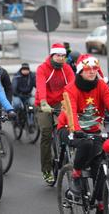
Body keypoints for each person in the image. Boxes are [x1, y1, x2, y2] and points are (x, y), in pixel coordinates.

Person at [57, 54, 109, 214]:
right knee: (86, 144)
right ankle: (76, 174)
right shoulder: (71, 88)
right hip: (69, 128)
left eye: (94, 68)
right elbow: (71, 110)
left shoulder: (101, 86)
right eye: (87, 69)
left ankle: (100, 202)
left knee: (100, 165)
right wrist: (77, 130)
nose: (92, 71)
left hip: (93, 130)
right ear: (80, 71)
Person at [35, 43, 75, 184]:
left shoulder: (67, 68)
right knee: (46, 133)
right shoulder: (42, 68)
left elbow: (72, 85)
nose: (61, 58)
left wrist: (73, 101)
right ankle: (46, 169)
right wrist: (44, 102)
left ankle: (69, 155)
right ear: (52, 55)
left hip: (61, 102)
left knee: (68, 127)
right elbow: (40, 86)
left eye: (63, 56)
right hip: (43, 102)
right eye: (58, 55)